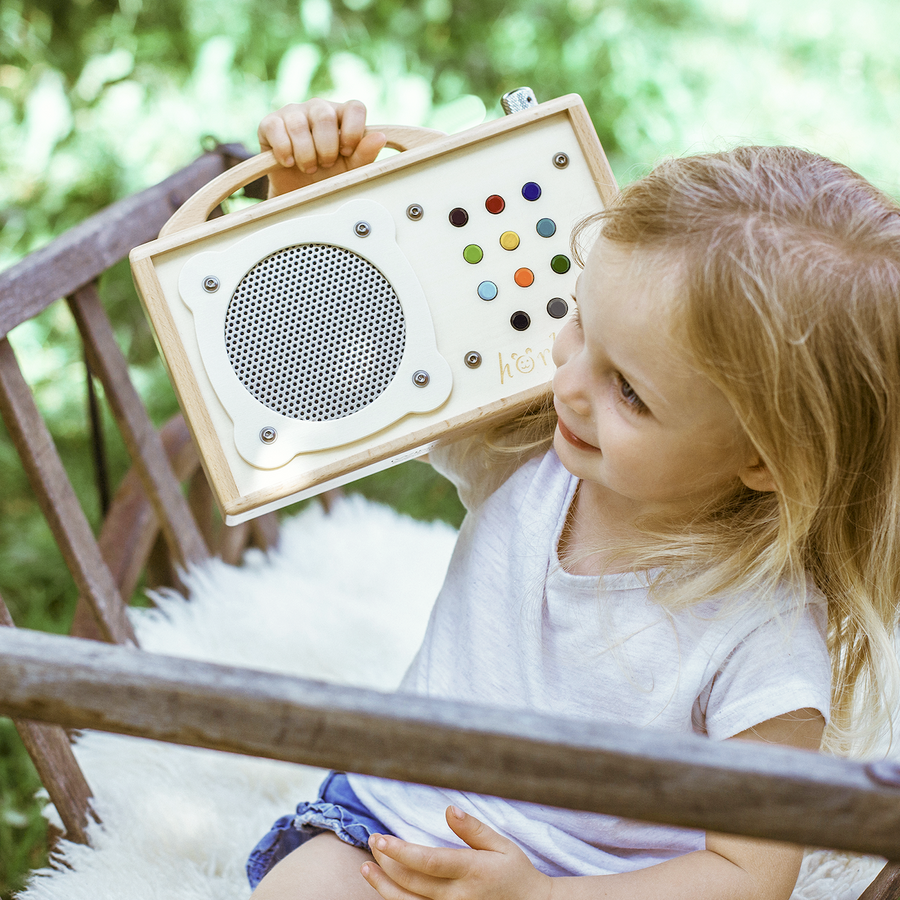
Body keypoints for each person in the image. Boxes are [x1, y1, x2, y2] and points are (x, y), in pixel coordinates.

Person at [246, 99, 900, 900]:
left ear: (763, 459)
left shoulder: (761, 635)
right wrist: (305, 200)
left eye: (628, 391)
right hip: (402, 823)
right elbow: (332, 354)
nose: (567, 383)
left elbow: (749, 874)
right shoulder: (531, 450)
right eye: (576, 322)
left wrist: (540, 896)